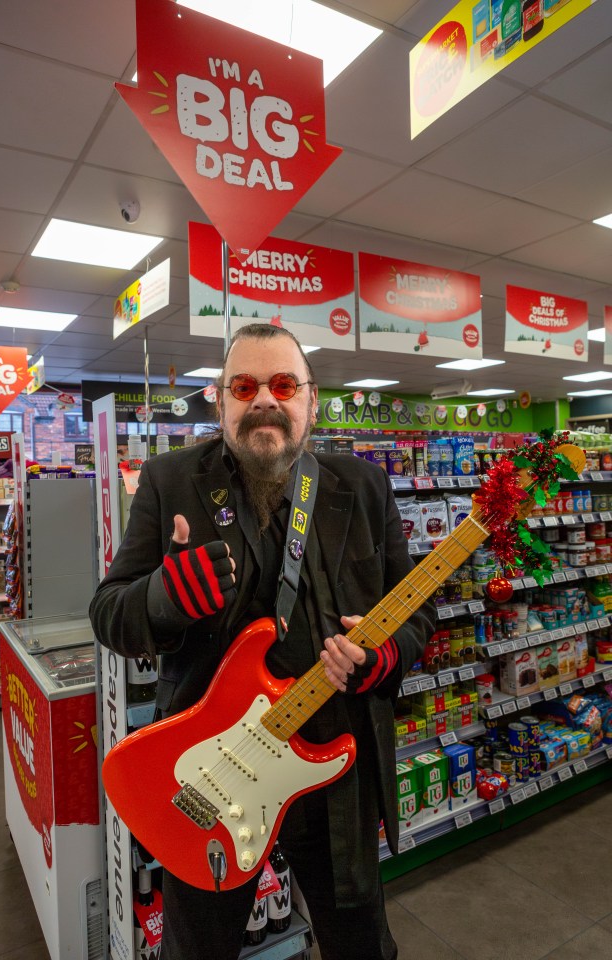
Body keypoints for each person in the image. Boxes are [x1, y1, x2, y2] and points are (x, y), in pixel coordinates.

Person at [90, 323, 435, 960]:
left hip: (337, 768)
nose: (265, 400)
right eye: (244, 386)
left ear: (310, 399)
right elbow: (109, 613)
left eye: (283, 384)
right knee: (200, 949)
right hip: (208, 776)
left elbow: (417, 612)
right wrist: (161, 600)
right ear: (220, 400)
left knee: (362, 946)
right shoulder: (170, 480)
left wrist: (383, 656)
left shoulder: (361, 487)